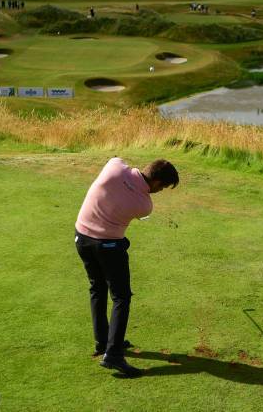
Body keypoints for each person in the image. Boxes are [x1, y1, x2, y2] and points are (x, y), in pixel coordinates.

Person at [75, 158, 179, 377]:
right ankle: (113, 354)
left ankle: (103, 342)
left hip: (82, 237)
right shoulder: (144, 205)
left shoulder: (113, 165)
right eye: (161, 187)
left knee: (97, 288)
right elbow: (135, 203)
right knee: (121, 297)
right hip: (108, 246)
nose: (159, 191)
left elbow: (120, 164)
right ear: (157, 181)